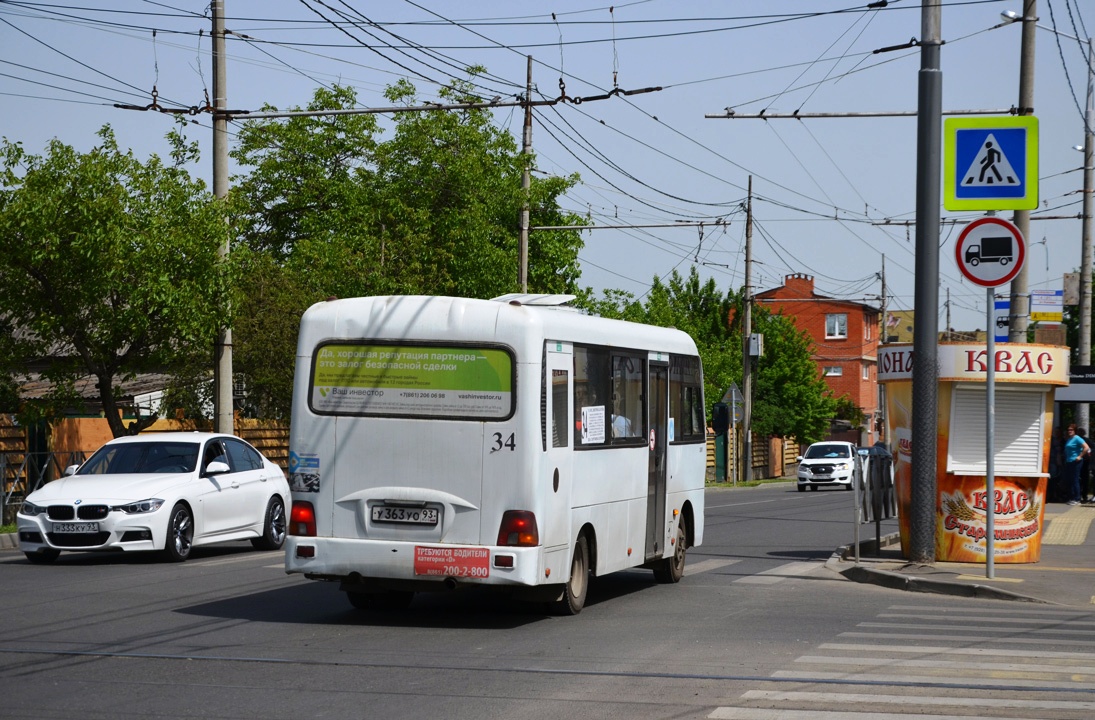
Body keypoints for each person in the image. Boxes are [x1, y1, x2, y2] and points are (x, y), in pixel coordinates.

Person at [1064, 424, 1091, 506]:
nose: (1069, 431)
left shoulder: (1077, 438)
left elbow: (1086, 447)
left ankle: (1077, 498)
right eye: (1068, 430)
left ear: (1075, 431)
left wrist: (1080, 456)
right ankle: (1072, 497)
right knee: (1070, 479)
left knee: (1075, 479)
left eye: (1071, 430)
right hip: (1069, 461)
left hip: (1076, 461)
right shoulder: (1069, 439)